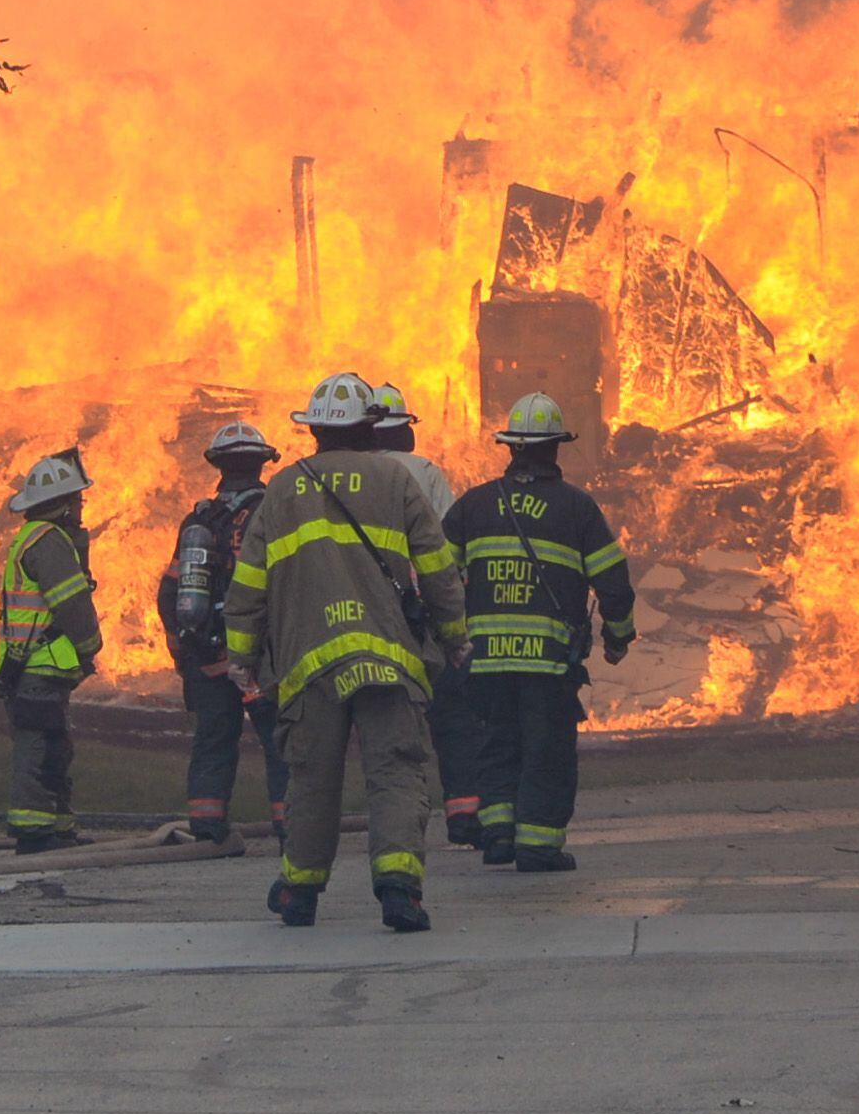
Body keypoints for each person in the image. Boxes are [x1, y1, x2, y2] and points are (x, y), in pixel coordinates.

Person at [224, 372, 469, 932]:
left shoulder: (282, 490)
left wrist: (241, 657)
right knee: (397, 771)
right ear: (368, 427)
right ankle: (399, 891)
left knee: (311, 776)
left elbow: (250, 584)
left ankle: (300, 894)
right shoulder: (395, 479)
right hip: (388, 660)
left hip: (309, 665)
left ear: (313, 432)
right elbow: (437, 568)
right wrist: (453, 639)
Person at [444, 394, 640, 871]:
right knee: (546, 752)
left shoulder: (474, 504)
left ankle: (498, 837)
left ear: (511, 449)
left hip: (487, 661)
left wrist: (449, 636)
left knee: (497, 745)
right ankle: (537, 845)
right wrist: (618, 638)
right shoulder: (576, 509)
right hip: (547, 663)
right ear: (556, 448)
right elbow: (613, 582)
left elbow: (435, 576)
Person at [365, 383, 488, 849]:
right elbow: (447, 552)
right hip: (422, 618)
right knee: (451, 716)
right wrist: (454, 621)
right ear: (402, 432)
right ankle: (463, 814)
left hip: (359, 617)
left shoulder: (340, 476)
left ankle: (366, 819)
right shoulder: (424, 473)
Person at [158, 421, 288, 843]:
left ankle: (207, 824)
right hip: (260, 659)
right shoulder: (278, 513)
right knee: (281, 740)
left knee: (214, 739)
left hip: (209, 656)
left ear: (219, 467)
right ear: (262, 464)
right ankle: (292, 827)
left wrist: (183, 655)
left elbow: (170, 593)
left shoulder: (198, 521)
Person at [0, 449, 104, 853]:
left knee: (55, 745)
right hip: (39, 666)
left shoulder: (34, 538)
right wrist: (91, 645)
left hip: (34, 666)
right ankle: (33, 831)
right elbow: (71, 604)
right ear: (62, 505)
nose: (81, 507)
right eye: (77, 499)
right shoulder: (50, 544)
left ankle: (56, 827)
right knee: (38, 747)